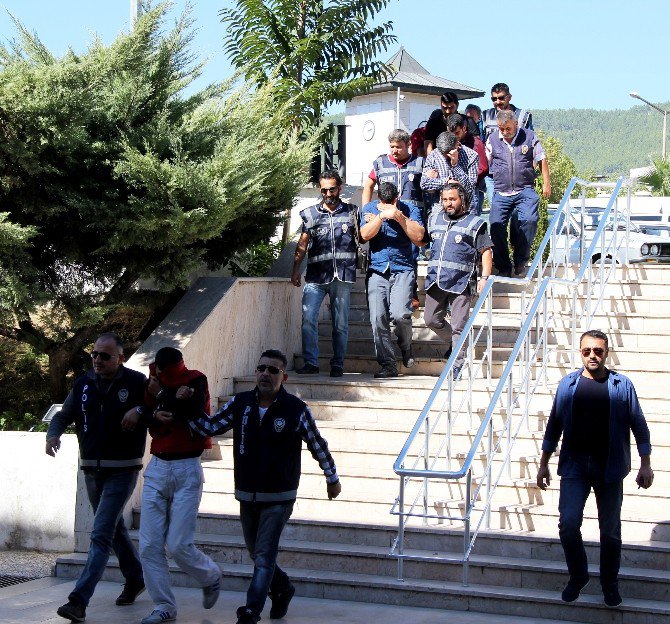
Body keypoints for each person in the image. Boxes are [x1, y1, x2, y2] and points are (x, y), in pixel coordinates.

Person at [188, 349, 341, 624]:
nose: (265, 374)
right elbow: (209, 427)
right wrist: (185, 407)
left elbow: (317, 444)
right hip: (247, 492)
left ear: (284, 376)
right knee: (256, 552)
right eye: (261, 368)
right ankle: (282, 588)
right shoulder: (241, 403)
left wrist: (332, 477)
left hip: (280, 495)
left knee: (264, 554)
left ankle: (251, 610)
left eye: (273, 370)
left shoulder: (296, 409)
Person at [536, 330, 653, 608]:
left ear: (606, 352)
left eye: (598, 351)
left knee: (610, 531)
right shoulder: (569, 385)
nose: (592, 356)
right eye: (587, 351)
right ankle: (578, 575)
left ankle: (609, 584)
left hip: (610, 469)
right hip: (575, 467)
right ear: (580, 352)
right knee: (568, 524)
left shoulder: (621, 385)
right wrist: (543, 462)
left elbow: (639, 425)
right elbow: (554, 424)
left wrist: (645, 463)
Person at [46, 333, 147, 623]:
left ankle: (78, 601)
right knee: (113, 528)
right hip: (92, 468)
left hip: (123, 469)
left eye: (105, 356)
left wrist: (139, 409)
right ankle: (135, 577)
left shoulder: (136, 382)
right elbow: (63, 415)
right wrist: (53, 435)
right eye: (94, 354)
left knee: (100, 533)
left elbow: (157, 407)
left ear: (121, 357)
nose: (98, 360)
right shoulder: (83, 383)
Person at [137, 347, 222, 624]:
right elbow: (144, 412)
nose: (159, 373)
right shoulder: (152, 379)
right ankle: (163, 605)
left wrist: (164, 396)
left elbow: (195, 411)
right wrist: (158, 410)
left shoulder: (196, 379)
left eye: (164, 371)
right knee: (149, 545)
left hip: (187, 467)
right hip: (158, 466)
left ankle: (210, 576)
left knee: (178, 544)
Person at [291, 169, 358, 377]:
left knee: (340, 324)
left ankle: (338, 364)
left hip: (343, 276)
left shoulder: (353, 212)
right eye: (324, 190)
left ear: (340, 188)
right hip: (315, 277)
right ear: (320, 190)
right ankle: (311, 362)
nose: (329, 194)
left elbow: (363, 238)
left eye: (332, 189)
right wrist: (295, 270)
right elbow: (302, 244)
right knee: (308, 318)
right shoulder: (310, 214)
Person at [423, 182, 492, 379]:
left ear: (462, 199)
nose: (448, 203)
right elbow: (423, 240)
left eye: (452, 199)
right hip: (436, 280)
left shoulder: (475, 223)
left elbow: (486, 251)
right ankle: (456, 345)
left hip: (462, 282)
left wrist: (484, 278)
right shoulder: (434, 220)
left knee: (459, 326)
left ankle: (456, 365)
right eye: (445, 200)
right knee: (430, 319)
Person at [360, 181, 425, 378]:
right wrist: (380, 217)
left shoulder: (409, 209)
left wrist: (399, 217)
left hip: (403, 268)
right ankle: (388, 364)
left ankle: (406, 346)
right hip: (378, 269)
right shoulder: (370, 209)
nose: (386, 205)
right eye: (383, 202)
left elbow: (420, 237)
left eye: (390, 202)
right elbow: (364, 235)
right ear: (379, 199)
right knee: (377, 317)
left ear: (396, 198)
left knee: (400, 315)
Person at [485, 109, 551, 277]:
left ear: (516, 124)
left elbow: (541, 158)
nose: (505, 132)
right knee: (496, 225)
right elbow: (484, 163)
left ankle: (521, 260)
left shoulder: (529, 137)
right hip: (501, 191)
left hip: (525, 189)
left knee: (529, 220)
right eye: (501, 129)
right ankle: (504, 266)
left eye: (508, 128)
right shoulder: (492, 139)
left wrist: (546, 183)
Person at [361, 128, 424, 210]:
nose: (394, 151)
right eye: (392, 146)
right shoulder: (380, 163)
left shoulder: (420, 163)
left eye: (398, 147)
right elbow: (368, 186)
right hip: (386, 216)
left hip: (412, 217)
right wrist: (365, 210)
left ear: (408, 145)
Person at [420, 131, 478, 212]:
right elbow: (424, 183)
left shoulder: (471, 156)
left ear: (457, 144)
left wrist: (455, 165)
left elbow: (469, 187)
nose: (446, 156)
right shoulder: (434, 155)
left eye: (449, 152)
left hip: (464, 209)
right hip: (441, 209)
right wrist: (446, 182)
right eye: (443, 153)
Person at [445, 113, 488, 215]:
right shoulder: (445, 144)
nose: (453, 137)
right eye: (450, 134)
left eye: (457, 133)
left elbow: (484, 168)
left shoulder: (476, 143)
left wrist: (466, 178)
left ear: (464, 128)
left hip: (471, 192)